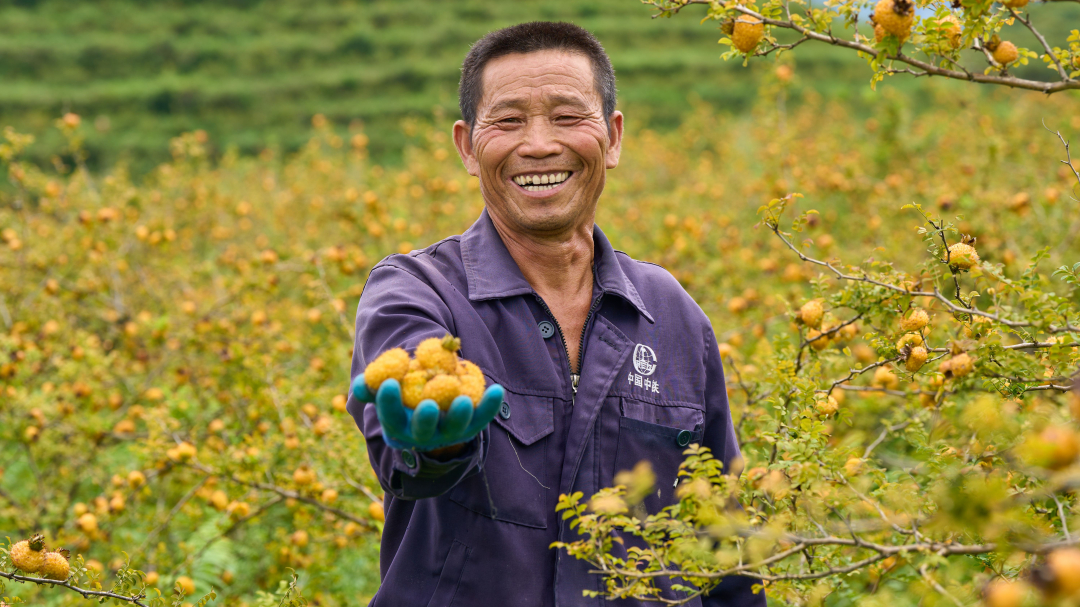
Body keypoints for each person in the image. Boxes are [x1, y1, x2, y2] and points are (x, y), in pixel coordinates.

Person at [345, 21, 765, 607]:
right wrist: (436, 445)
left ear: (613, 138)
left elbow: (725, 542)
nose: (539, 144)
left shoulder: (671, 313)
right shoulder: (418, 291)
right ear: (467, 147)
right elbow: (404, 449)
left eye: (568, 116)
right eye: (508, 120)